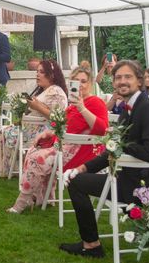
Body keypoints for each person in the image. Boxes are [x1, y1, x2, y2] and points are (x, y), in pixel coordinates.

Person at [59, 60, 149, 258]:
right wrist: (83, 168)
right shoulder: (129, 108)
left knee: (76, 184)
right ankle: (91, 243)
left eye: (128, 77)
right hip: (129, 178)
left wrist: (117, 142)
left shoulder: (148, 108)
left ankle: (91, 245)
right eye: (118, 77)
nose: (122, 81)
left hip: (143, 186)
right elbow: (113, 149)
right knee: (77, 178)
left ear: (140, 81)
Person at [6, 64, 107, 212]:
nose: (80, 85)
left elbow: (102, 129)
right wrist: (48, 133)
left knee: (38, 159)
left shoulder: (95, 102)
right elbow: (61, 124)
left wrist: (82, 108)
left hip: (83, 152)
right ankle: (42, 197)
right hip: (64, 146)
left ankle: (22, 202)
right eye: (76, 81)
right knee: (32, 151)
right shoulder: (72, 106)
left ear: (90, 83)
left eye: (84, 81)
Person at [0, 60, 67, 177]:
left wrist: (37, 106)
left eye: (42, 72)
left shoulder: (56, 92)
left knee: (7, 131)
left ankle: (14, 169)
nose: (37, 74)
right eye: (37, 71)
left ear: (52, 75)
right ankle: (15, 168)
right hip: (33, 127)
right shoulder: (44, 91)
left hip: (44, 131)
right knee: (6, 129)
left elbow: (57, 118)